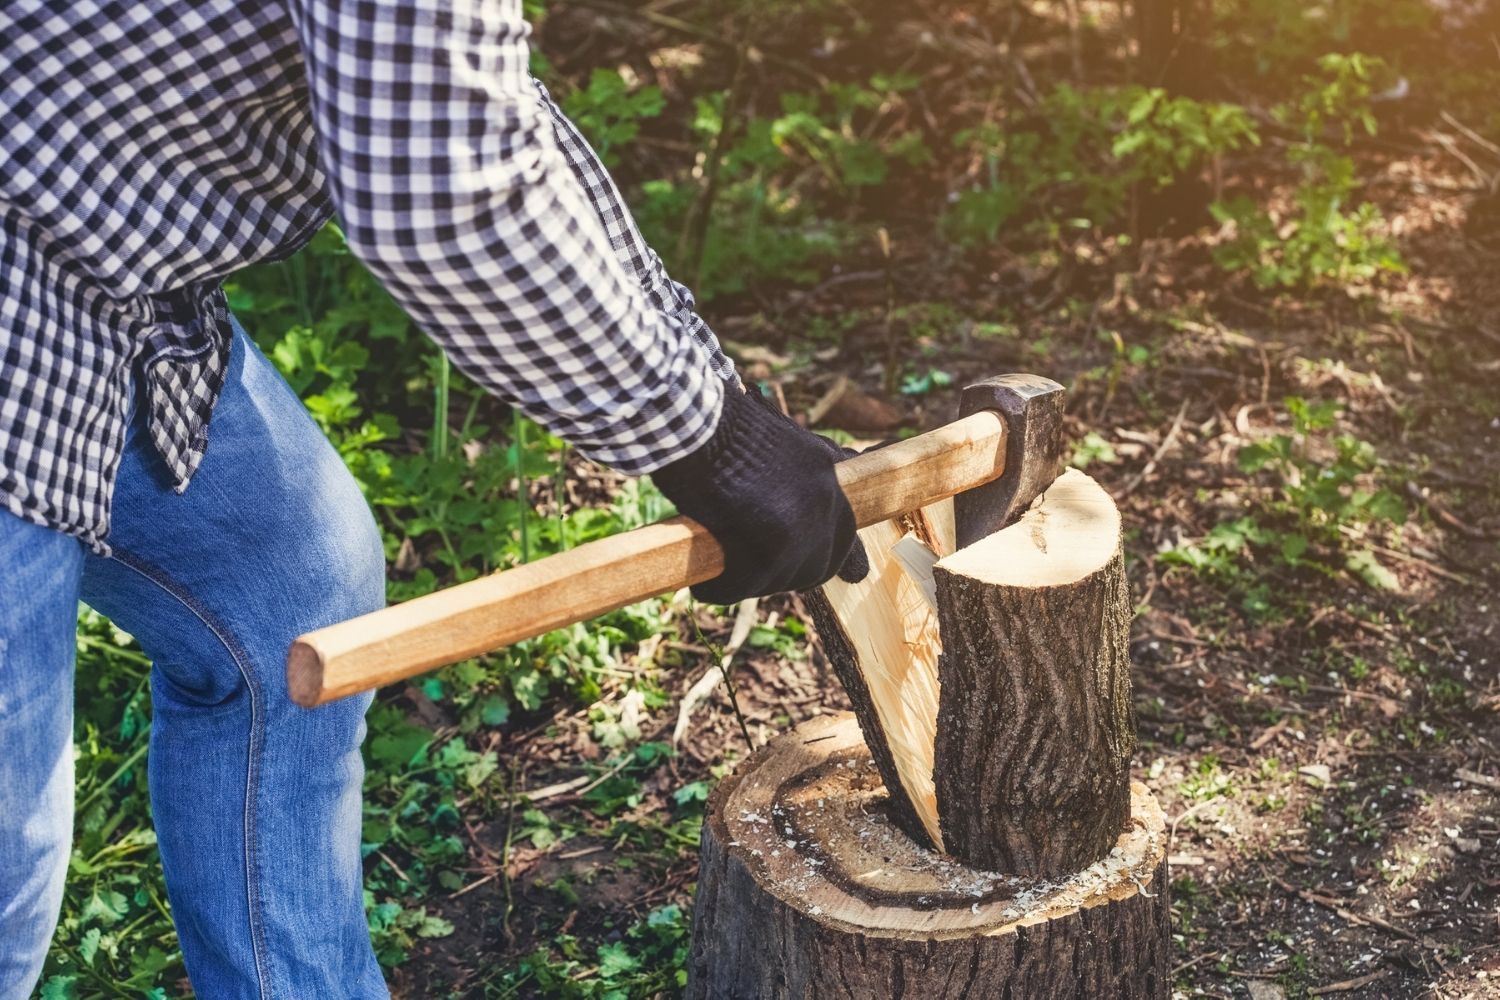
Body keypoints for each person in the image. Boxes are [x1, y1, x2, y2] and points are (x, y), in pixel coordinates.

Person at [0, 0, 866, 995]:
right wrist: (707, 445)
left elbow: (486, 115)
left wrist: (719, 410)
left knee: (286, 585)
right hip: (21, 259)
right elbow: (448, 196)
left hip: (90, 268)